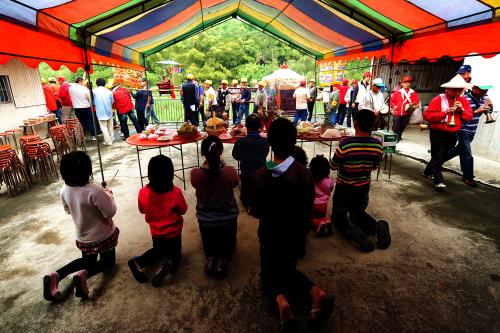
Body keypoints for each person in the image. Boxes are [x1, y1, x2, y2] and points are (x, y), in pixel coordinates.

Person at [252, 118, 334, 331]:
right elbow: (307, 211)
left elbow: (257, 211)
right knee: (289, 272)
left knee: (268, 276)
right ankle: (316, 293)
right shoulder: (305, 175)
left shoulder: (261, 176)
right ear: (294, 141)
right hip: (295, 238)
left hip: (270, 237)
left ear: (269, 142)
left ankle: (281, 302)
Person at [43, 151, 118, 301]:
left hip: (83, 238)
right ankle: (82, 275)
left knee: (86, 262)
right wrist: (109, 196)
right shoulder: (96, 190)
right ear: (87, 171)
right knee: (108, 263)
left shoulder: (64, 190)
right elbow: (110, 212)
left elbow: (67, 210)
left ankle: (56, 275)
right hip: (104, 236)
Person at [329, 109, 390, 252]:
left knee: (338, 217)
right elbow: (375, 166)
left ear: (355, 123)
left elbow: (333, 166)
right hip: (363, 187)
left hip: (344, 187)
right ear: (372, 125)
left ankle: (350, 231)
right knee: (358, 213)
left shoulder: (346, 144)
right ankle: (377, 226)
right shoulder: (377, 145)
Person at [128, 155, 188, 287]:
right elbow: (183, 210)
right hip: (174, 233)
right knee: (176, 253)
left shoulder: (143, 192)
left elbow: (142, 210)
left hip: (156, 232)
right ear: (171, 174)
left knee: (158, 250)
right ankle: (168, 264)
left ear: (150, 174)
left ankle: (138, 261)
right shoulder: (175, 192)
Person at [190, 136, 239, 278]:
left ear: (202, 153)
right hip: (228, 220)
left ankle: (211, 258)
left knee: (209, 248)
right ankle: (222, 259)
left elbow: (197, 183)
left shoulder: (196, 174)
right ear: (221, 152)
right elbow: (235, 183)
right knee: (229, 249)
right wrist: (222, 164)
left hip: (205, 221)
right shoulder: (229, 172)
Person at [423, 75, 473, 190]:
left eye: (459, 90)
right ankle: (438, 181)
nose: (457, 92)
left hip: (452, 133)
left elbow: (469, 117)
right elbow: (427, 116)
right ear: (448, 89)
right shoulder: (438, 99)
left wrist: (462, 110)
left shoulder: (463, 101)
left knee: (443, 155)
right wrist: (444, 113)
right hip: (437, 132)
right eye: (454, 89)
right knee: (437, 155)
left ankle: (427, 171)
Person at [444, 80, 493, 187]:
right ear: (474, 88)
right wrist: (477, 111)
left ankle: (436, 161)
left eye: (486, 90)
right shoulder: (465, 98)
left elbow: (488, 110)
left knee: (459, 150)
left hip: (472, 129)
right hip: (462, 129)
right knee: (467, 153)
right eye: (482, 90)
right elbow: (460, 115)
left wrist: (490, 106)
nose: (484, 92)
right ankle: (468, 177)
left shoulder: (485, 97)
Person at [232, 114, 270, 208]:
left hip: (246, 175)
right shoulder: (265, 141)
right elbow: (265, 153)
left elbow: (235, 155)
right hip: (261, 174)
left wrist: (244, 158)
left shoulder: (240, 141)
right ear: (259, 126)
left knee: (246, 197)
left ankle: (247, 202)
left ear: (246, 126)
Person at [310, 155, 334, 237]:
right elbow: (331, 189)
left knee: (310, 219)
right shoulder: (329, 180)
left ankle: (319, 223)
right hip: (323, 204)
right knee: (321, 217)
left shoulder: (310, 179)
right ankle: (326, 221)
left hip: (312, 204)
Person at [390, 76, 420, 141]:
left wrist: (413, 105)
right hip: (397, 112)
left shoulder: (413, 92)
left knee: (403, 126)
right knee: (396, 126)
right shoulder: (397, 92)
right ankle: (396, 138)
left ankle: (399, 135)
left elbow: (417, 102)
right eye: (405, 82)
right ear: (402, 84)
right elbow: (392, 101)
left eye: (408, 82)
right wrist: (393, 106)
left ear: (410, 84)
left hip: (407, 113)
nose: (407, 84)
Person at [93, 78, 115, 146]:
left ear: (96, 84)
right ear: (104, 83)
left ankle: (108, 141)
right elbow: (112, 101)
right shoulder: (109, 91)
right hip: (109, 111)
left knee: (104, 127)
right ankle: (112, 139)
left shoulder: (94, 91)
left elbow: (92, 102)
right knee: (110, 126)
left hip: (100, 112)